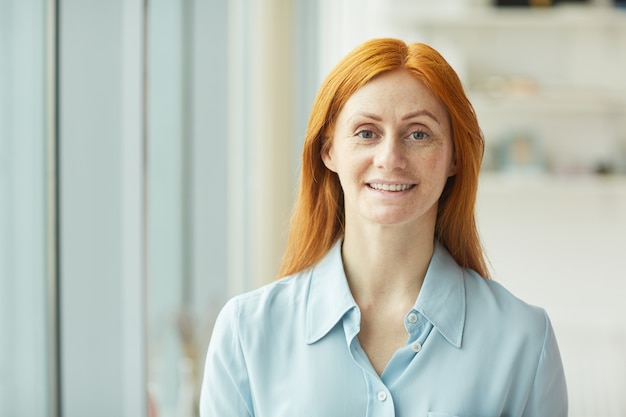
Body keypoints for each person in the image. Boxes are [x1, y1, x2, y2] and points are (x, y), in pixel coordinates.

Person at [199, 38, 568, 416]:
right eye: (366, 133)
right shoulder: (245, 333)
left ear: (455, 156)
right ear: (329, 151)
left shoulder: (524, 338)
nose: (390, 158)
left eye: (418, 134)